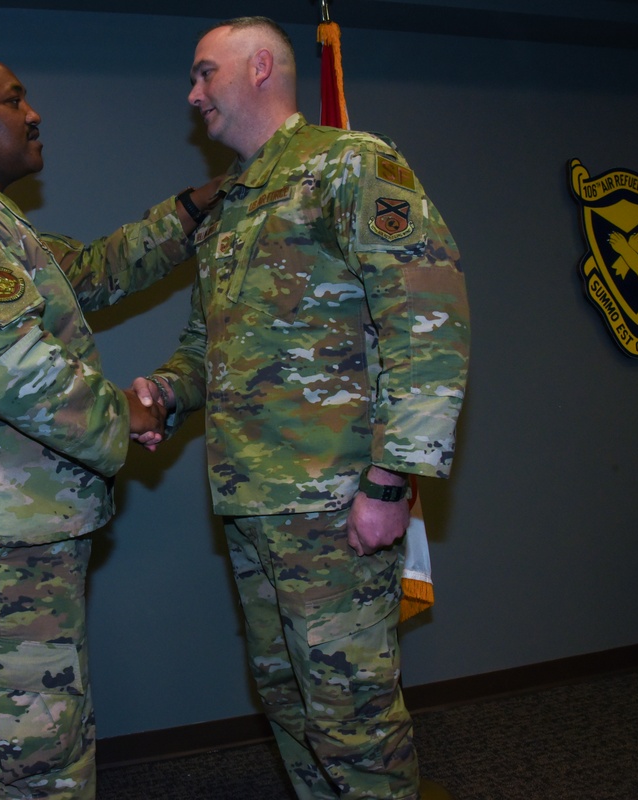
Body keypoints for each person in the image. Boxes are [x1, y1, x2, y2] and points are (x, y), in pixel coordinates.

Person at [0, 57, 219, 800]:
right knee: (39, 778)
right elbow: (10, 368)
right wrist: (131, 414)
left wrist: (191, 209)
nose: (34, 114)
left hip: (3, 537)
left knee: (39, 760)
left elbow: (89, 271)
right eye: (13, 100)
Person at [133, 17, 470, 800]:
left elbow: (427, 318)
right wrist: (165, 392)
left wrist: (391, 480)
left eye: (202, 74)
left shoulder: (350, 166)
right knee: (288, 702)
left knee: (353, 718)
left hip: (336, 502)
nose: (192, 96)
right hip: (254, 502)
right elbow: (205, 346)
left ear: (258, 68)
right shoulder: (231, 208)